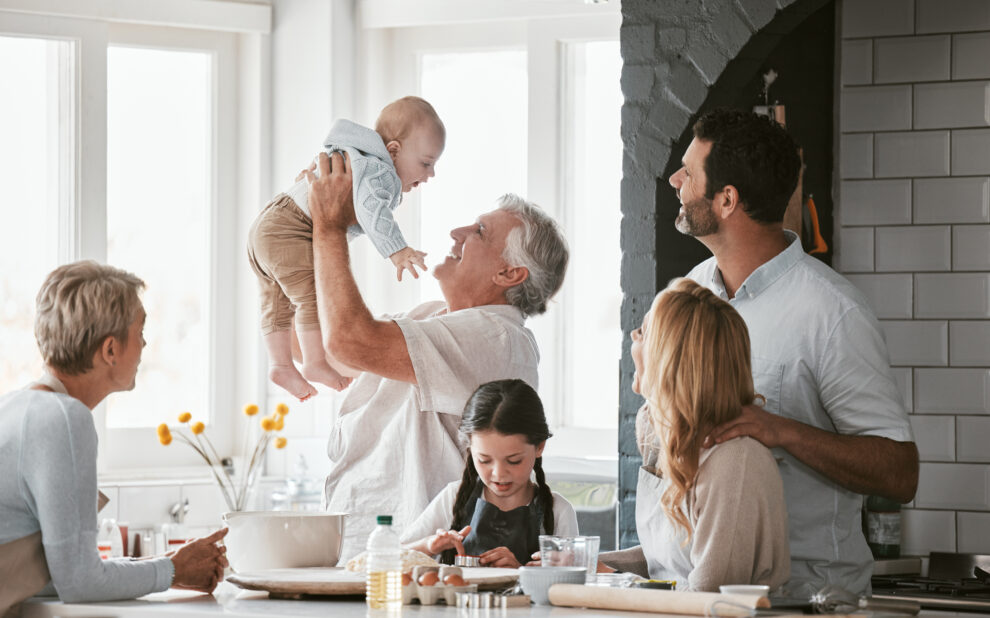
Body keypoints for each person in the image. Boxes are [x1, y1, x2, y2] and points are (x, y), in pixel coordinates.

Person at [669, 108, 917, 596]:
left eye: (689, 172)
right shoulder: (688, 294)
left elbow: (899, 472)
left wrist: (779, 430)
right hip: (701, 592)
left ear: (727, 199)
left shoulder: (833, 312)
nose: (675, 180)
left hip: (809, 599)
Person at [303, 150, 569, 561]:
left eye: (479, 231)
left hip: (414, 563)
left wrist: (329, 227)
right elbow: (332, 353)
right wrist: (308, 227)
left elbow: (348, 340)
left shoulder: (496, 338)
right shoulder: (434, 317)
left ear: (509, 274)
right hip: (371, 555)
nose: (457, 232)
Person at [0, 261, 228, 615]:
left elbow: (56, 576)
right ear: (110, 350)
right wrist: (172, 570)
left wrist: (165, 565)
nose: (145, 344)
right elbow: (79, 584)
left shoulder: (16, 407)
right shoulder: (63, 418)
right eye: (140, 332)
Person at [247, 96, 445, 401]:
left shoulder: (353, 155)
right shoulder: (379, 171)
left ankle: (280, 364)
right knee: (313, 296)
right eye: (426, 163)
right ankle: (314, 363)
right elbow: (372, 211)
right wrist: (397, 250)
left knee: (276, 301)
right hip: (293, 228)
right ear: (393, 150)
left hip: (267, 226)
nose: (430, 175)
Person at [599, 278, 790, 592]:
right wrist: (585, 564)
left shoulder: (734, 462)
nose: (633, 339)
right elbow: (669, 556)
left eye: (643, 333)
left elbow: (709, 598)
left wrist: (621, 582)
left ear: (668, 360)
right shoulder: (668, 438)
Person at [402, 380, 578, 567]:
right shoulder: (452, 497)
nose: (499, 474)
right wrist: (429, 545)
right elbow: (388, 557)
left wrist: (521, 573)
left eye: (514, 460)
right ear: (470, 448)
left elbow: (574, 586)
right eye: (484, 460)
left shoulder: (558, 511)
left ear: (540, 446)